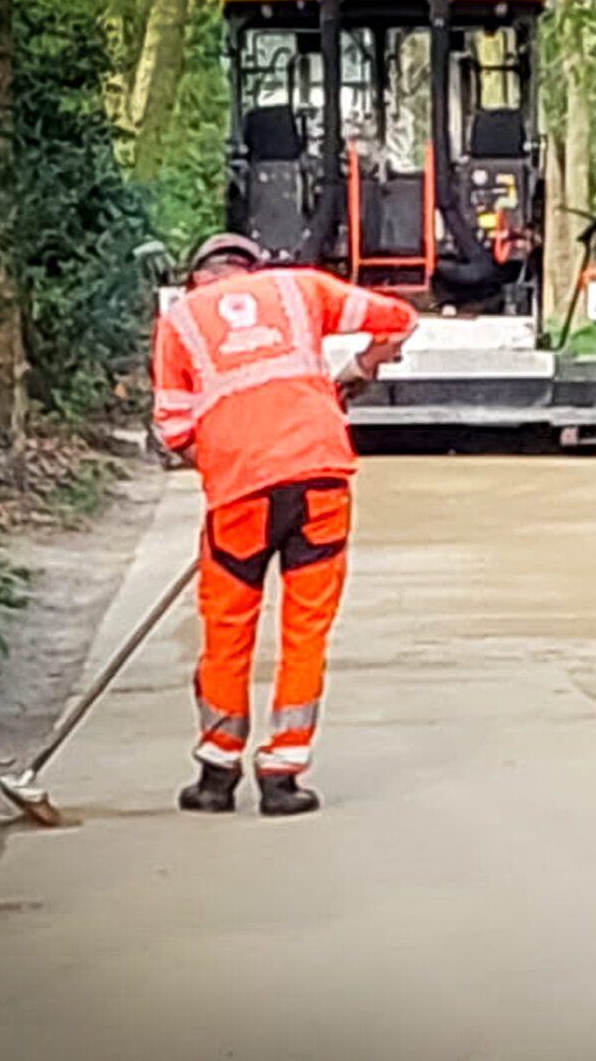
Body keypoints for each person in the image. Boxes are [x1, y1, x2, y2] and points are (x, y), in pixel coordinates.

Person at [151, 234, 416, 816]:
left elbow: (173, 428)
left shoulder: (181, 322)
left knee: (226, 629)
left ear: (199, 276)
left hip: (239, 496)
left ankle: (216, 776)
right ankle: (282, 776)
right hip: (318, 479)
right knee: (306, 630)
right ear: (252, 267)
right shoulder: (301, 289)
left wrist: (226, 464)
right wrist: (364, 364)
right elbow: (399, 318)